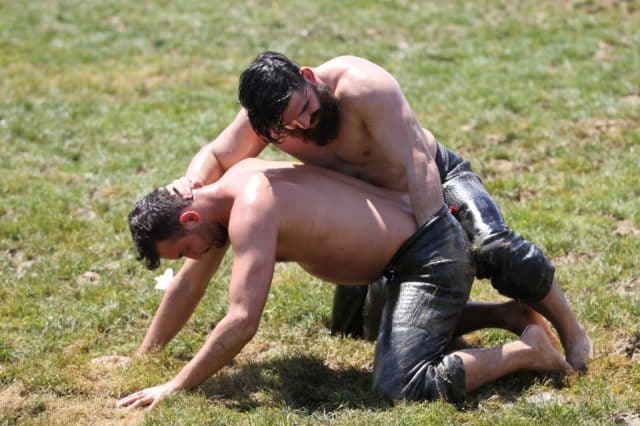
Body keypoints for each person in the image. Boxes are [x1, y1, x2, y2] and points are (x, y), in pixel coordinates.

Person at [166, 51, 591, 371]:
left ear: (309, 79)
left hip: (434, 181)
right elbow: (218, 155)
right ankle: (506, 315)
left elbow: (418, 164)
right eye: (287, 128)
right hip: (371, 207)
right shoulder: (272, 119)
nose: (303, 128)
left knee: (496, 249)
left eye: (304, 112)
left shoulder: (364, 86)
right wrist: (191, 184)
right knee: (377, 324)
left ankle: (572, 332)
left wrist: (434, 248)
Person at [118, 159, 570, 410]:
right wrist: (146, 355)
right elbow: (188, 285)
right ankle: (506, 313)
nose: (194, 259)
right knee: (365, 330)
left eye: (184, 250)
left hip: (428, 255)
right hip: (394, 259)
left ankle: (531, 351)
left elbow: (242, 320)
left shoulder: (251, 206)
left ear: (189, 216)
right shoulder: (225, 192)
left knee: (401, 385)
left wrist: (176, 386)